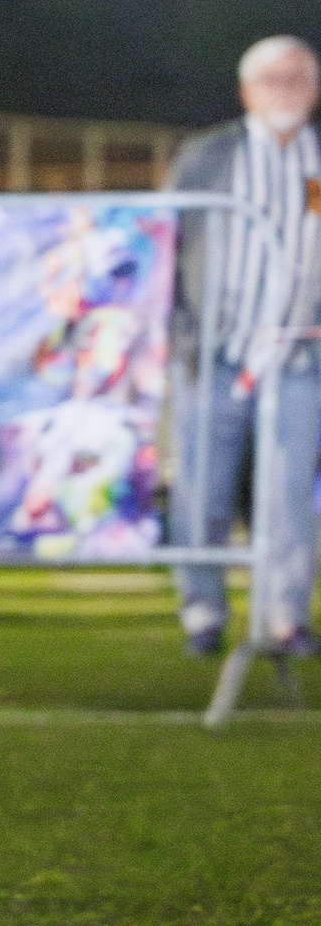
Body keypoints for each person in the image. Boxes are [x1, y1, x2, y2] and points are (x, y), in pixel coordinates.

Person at [163, 35, 321, 658]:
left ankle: (284, 617)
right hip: (214, 352)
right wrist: (175, 334)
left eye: (299, 77)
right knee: (200, 489)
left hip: (299, 358)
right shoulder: (208, 157)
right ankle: (201, 609)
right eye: (273, 79)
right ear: (246, 91)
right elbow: (162, 245)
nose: (286, 89)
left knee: (287, 493)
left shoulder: (318, 162)